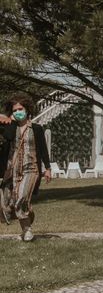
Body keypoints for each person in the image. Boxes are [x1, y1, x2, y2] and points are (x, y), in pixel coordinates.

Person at [0, 94, 51, 241]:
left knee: (21, 198)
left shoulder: (37, 128)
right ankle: (28, 213)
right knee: (9, 203)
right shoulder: (10, 127)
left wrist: (47, 168)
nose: (17, 112)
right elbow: (8, 138)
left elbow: (43, 149)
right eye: (14, 110)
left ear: (27, 109)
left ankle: (28, 231)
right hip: (13, 170)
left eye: (20, 109)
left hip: (31, 169)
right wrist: (12, 122)